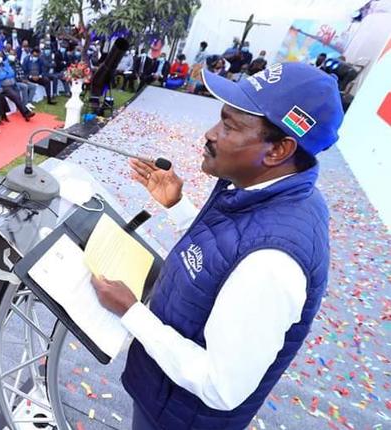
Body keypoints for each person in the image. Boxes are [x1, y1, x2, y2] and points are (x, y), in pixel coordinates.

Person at [92, 63, 343, 430]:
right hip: (164, 397)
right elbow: (227, 251)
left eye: (230, 125)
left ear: (278, 150)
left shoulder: (273, 263)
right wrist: (179, 208)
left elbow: (220, 386)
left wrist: (130, 311)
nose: (210, 133)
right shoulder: (265, 190)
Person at [0, 52, 35, 121]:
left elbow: (12, 73)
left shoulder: (5, 64)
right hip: (3, 87)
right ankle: (26, 113)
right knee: (15, 96)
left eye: (0, 55)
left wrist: (5, 74)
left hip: (13, 84)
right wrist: (6, 73)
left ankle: (25, 114)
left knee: (18, 96)